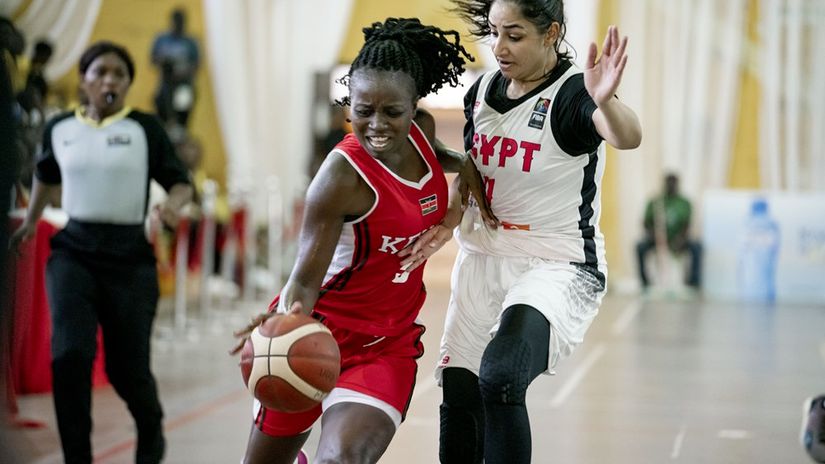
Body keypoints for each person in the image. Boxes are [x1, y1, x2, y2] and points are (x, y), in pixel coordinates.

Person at [231, 17, 492, 464]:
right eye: (363, 111)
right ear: (349, 104)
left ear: (414, 107)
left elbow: (434, 155)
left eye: (392, 112)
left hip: (385, 345)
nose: (376, 125)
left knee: (343, 459)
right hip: (316, 335)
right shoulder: (340, 178)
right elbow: (304, 279)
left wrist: (465, 164)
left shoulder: (423, 133)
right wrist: (284, 326)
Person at [399, 1, 642, 462]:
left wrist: (605, 101)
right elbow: (473, 170)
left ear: (551, 33)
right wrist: (449, 218)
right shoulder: (483, 90)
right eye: (494, 33)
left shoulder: (573, 94)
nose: (499, 47)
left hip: (556, 263)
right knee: (460, 399)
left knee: (503, 374)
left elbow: (627, 136)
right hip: (482, 259)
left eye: (514, 35)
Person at [9, 41, 193, 464]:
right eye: (100, 72)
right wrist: (32, 221)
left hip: (130, 259)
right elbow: (45, 174)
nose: (109, 80)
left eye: (119, 74)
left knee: (127, 370)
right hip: (73, 253)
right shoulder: (60, 128)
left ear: (128, 84)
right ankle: (77, 456)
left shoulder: (145, 129)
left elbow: (181, 183)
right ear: (84, 80)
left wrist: (171, 206)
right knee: (70, 355)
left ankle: (150, 429)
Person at [636, 173, 702, 289]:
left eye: (673, 183)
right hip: (657, 239)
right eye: (669, 183)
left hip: (678, 239)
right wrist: (655, 237)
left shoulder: (684, 202)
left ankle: (693, 282)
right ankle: (645, 283)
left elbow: (687, 225)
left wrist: (681, 239)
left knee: (696, 247)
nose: (671, 186)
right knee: (640, 247)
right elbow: (646, 223)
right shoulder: (655, 201)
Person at [150, 8, 200, 128]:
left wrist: (182, 71)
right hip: (165, 85)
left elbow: (196, 65)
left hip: (184, 85)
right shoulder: (162, 39)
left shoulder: (190, 42)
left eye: (181, 22)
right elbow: (153, 60)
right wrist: (165, 63)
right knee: (162, 117)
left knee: (182, 118)